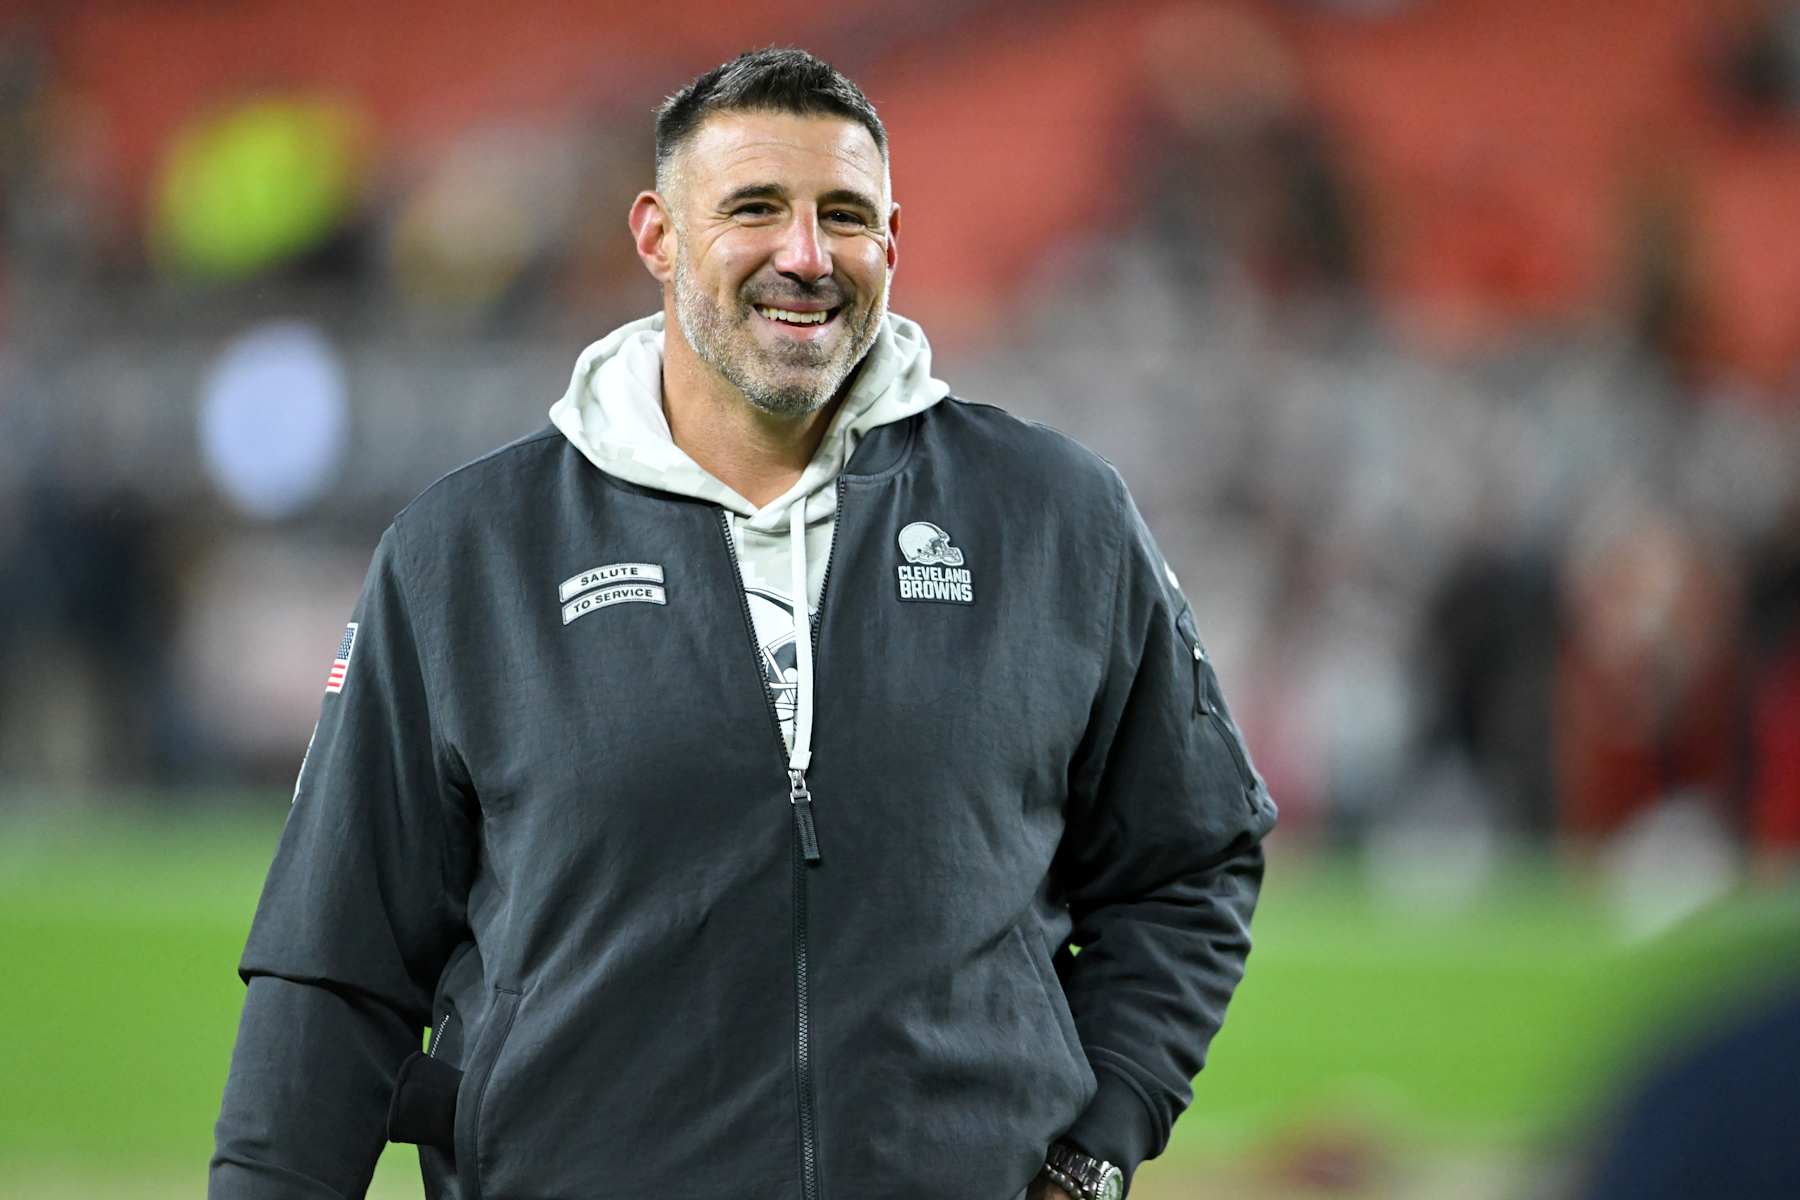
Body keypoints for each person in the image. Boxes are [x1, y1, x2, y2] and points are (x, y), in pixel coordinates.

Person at [210, 48, 1275, 1200]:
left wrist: (1098, 1141)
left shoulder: (1054, 517)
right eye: (756, 209)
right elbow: (337, 967)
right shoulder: (469, 549)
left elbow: (1191, 857)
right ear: (658, 235)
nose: (806, 256)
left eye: (845, 216)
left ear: (892, 242)